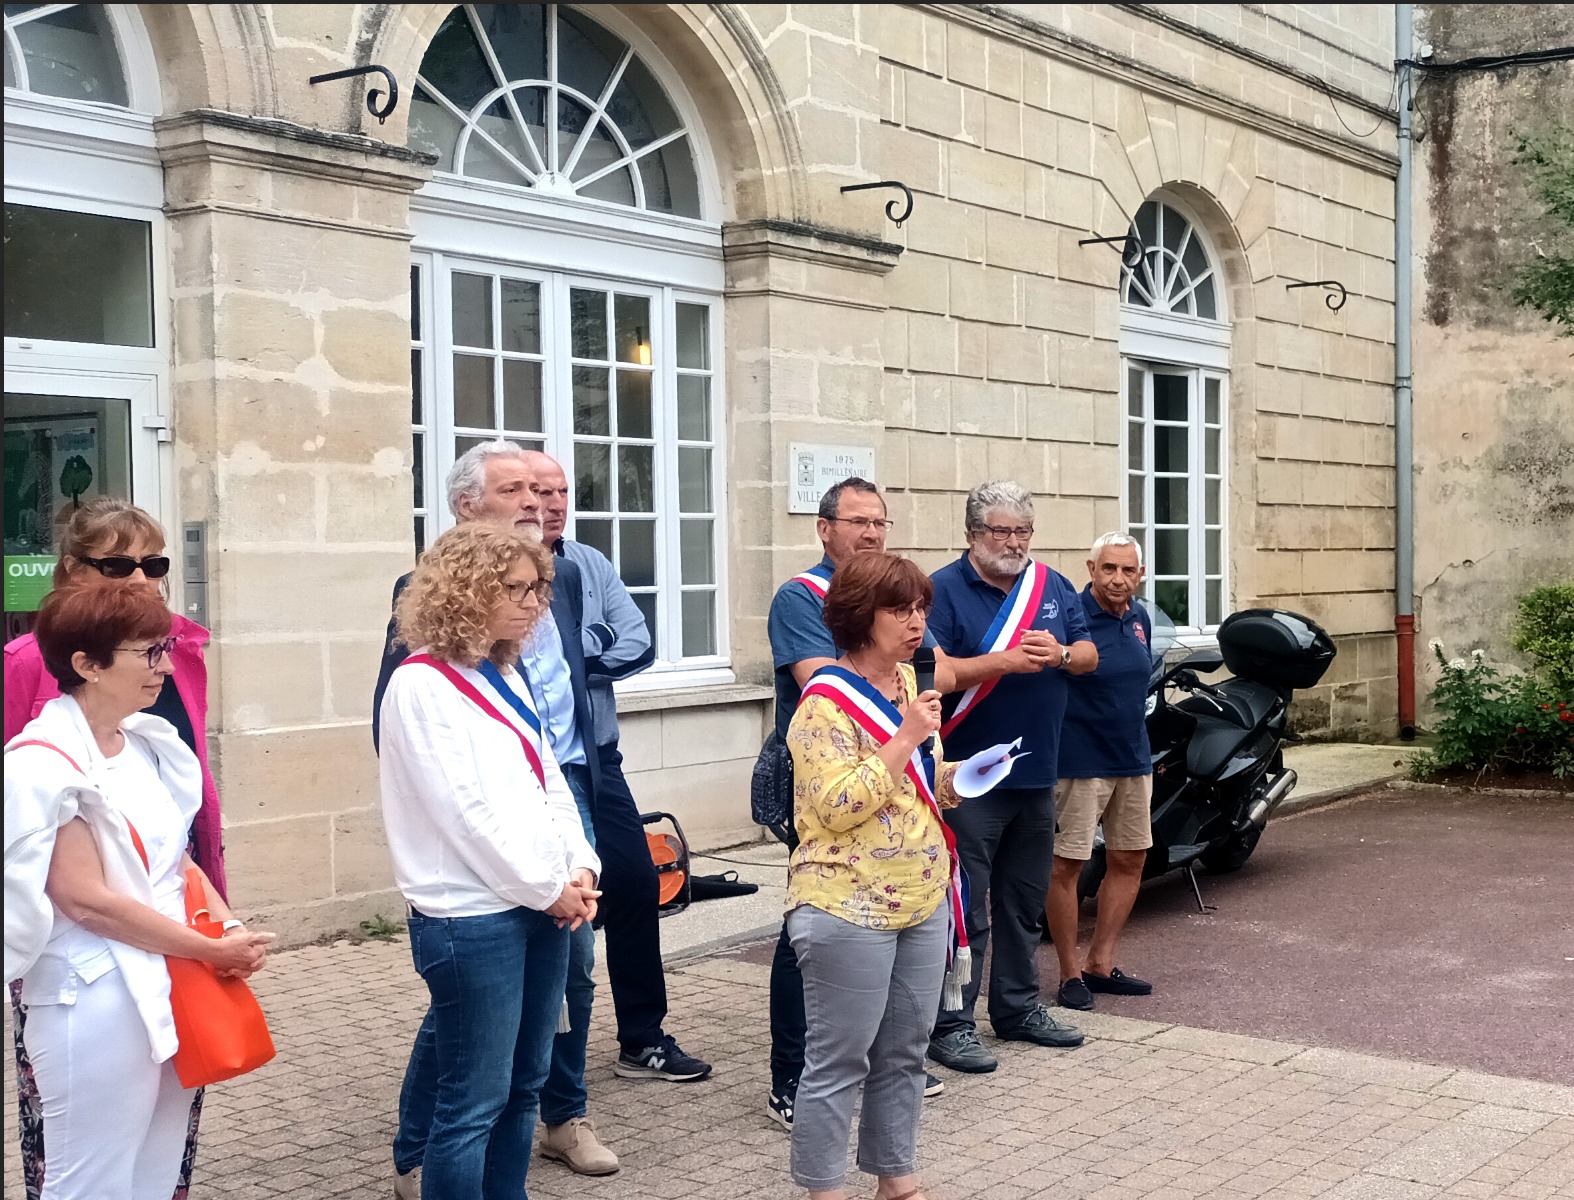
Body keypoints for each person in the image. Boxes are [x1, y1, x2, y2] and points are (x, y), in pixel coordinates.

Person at [373, 441, 625, 1190]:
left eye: (537, 588)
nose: (534, 603)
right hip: (473, 916)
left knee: (522, 1089)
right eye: (516, 588)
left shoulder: (500, 673)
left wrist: (580, 865)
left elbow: (549, 778)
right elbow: (464, 813)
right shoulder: (422, 686)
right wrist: (548, 884)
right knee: (473, 1100)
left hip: (542, 900)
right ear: (467, 593)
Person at [764, 477, 1045, 1125]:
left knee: (888, 926)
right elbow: (827, 683)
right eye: (857, 521)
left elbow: (935, 671)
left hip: (898, 799)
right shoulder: (802, 597)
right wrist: (904, 717)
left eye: (880, 523)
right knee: (809, 927)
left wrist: (998, 666)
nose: (870, 533)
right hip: (825, 779)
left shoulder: (896, 601)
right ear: (824, 528)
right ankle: (792, 1075)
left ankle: (885, 1068)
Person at [4, 582, 273, 1200]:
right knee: (89, 1180)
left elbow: (174, 859)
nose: (164, 665)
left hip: (166, 978)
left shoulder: (143, 745)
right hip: (91, 994)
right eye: (148, 652)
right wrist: (209, 952)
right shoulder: (42, 765)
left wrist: (226, 927)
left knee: (155, 1174)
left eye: (165, 648)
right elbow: (85, 901)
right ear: (87, 665)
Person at [521, 450, 711, 1083]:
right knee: (554, 914)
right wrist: (590, 644)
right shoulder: (490, 573)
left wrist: (579, 650)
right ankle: (539, 1066)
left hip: (595, 759)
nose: (549, 505)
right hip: (527, 769)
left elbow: (638, 642)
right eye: (536, 492)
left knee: (634, 884)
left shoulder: (588, 564)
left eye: (559, 492)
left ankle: (642, 1037)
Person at [784, 552, 966, 1200]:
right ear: (862, 617)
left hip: (921, 898)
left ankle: (897, 1181)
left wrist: (956, 780)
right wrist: (905, 741)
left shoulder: (908, 690)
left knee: (904, 1052)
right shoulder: (823, 704)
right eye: (900, 610)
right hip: (845, 905)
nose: (916, 623)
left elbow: (910, 788)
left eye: (921, 609)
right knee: (839, 1061)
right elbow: (834, 808)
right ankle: (825, 1190)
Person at [925, 481, 1097, 1074]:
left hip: (1037, 773)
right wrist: (1007, 661)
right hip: (966, 780)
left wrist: (1062, 657)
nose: (1014, 542)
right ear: (973, 534)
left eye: (1023, 531)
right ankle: (951, 1022)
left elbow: (1089, 654)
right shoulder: (941, 589)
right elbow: (935, 673)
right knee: (966, 908)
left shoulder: (1052, 585)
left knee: (1023, 902)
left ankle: (1017, 1009)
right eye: (1001, 531)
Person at [1047, 533, 1156, 1010]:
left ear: (1140, 575)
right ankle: (1070, 974)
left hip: (1133, 757)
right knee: (1068, 865)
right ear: (1090, 568)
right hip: (1079, 761)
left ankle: (1100, 962)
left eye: (1127, 570)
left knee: (1130, 861)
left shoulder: (1139, 617)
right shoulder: (1071, 616)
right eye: (1108, 568)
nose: (1118, 579)